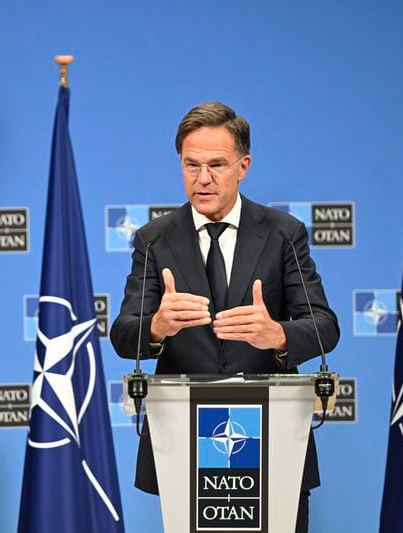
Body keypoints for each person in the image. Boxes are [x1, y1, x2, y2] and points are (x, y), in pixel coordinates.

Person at [110, 101, 340, 532]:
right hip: (185, 443)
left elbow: (325, 326)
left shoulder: (282, 233)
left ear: (243, 166)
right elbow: (124, 334)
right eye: (190, 165)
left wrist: (277, 335)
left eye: (217, 164)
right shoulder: (154, 240)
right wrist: (156, 327)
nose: (203, 178)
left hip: (272, 442)